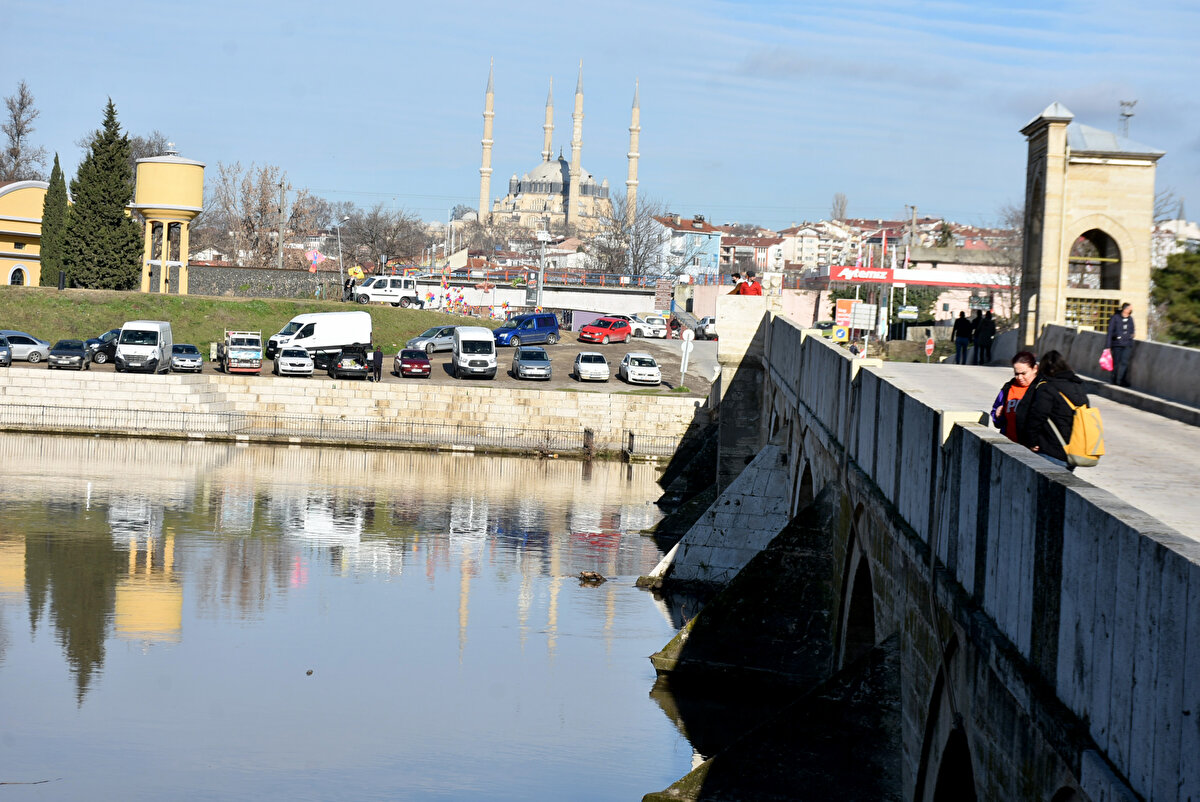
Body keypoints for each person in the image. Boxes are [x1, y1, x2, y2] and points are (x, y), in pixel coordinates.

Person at [1016, 349, 1088, 471]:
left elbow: (1037, 416)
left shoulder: (1047, 387)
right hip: (1073, 452)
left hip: (1050, 451)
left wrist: (1031, 442)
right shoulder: (1078, 387)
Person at [990, 351, 1037, 442]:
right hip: (1009, 445)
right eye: (1016, 374)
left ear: (1034, 369)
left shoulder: (1041, 389)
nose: (1019, 378)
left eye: (1023, 373)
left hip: (1032, 448)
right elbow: (996, 413)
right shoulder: (1008, 388)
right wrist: (997, 416)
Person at [1105, 302, 1134, 387]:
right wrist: (1108, 346)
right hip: (1117, 344)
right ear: (1125, 309)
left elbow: (1132, 330)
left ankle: (1122, 380)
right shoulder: (1115, 318)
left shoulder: (1130, 319)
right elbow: (1110, 332)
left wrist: (1131, 335)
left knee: (1125, 362)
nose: (1131, 311)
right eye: (1130, 309)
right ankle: (1114, 379)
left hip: (1127, 344)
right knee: (1116, 363)